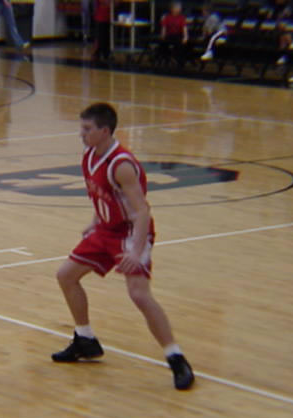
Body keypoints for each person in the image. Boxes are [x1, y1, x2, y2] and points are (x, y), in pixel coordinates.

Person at [51, 103, 195, 391]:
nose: (81, 134)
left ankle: (176, 358)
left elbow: (142, 211)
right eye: (81, 128)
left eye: (87, 129)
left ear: (105, 131)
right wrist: (96, 220)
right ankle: (85, 339)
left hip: (130, 233)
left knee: (139, 294)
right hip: (106, 230)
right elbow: (105, 195)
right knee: (65, 275)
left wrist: (135, 251)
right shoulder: (90, 155)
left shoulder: (121, 165)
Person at [159, 1, 189, 68]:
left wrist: (185, 37)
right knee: (163, 44)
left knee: (181, 45)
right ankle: (165, 60)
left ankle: (179, 61)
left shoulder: (182, 18)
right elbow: (164, 27)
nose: (179, 9)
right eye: (177, 8)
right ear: (172, 8)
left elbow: (184, 28)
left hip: (178, 35)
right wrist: (163, 35)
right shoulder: (167, 17)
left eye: (179, 8)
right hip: (169, 35)